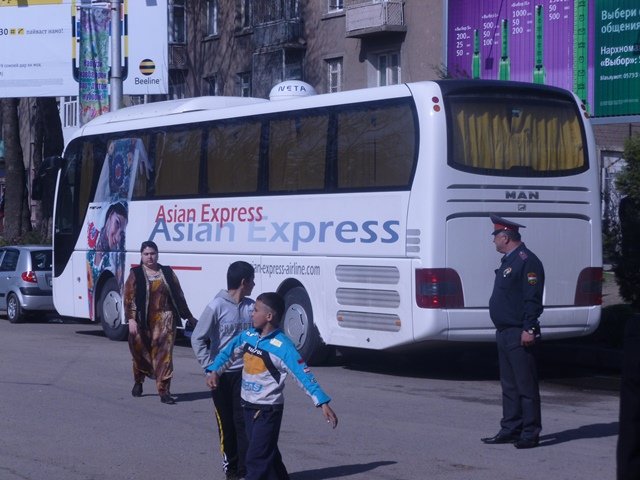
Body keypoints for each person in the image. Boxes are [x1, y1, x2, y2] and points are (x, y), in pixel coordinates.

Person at [205, 292, 338, 480]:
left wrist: (322, 402)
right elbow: (227, 354)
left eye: (256, 310)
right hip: (247, 406)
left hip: (268, 411)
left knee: (256, 458)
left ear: (269, 316)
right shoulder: (247, 336)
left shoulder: (283, 347)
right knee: (267, 454)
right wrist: (214, 371)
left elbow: (303, 375)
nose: (251, 313)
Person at [481, 214, 545, 449]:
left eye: (495, 236)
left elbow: (532, 298)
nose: (494, 241)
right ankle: (510, 428)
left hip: (519, 332)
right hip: (505, 331)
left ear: (505, 237)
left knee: (525, 385)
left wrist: (529, 328)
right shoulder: (509, 261)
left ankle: (530, 432)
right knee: (509, 385)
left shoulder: (527, 261)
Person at [191, 261, 256, 480]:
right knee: (226, 424)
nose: (254, 284)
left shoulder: (251, 307)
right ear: (244, 282)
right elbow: (197, 337)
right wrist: (210, 368)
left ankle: (246, 471)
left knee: (243, 422)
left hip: (244, 375)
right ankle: (231, 469)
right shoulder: (216, 306)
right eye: (252, 280)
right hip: (220, 377)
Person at [124, 240, 197, 404]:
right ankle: (138, 380)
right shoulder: (135, 273)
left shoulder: (167, 272)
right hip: (142, 320)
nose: (150, 257)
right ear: (141, 256)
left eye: (152, 253)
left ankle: (164, 391)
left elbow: (179, 295)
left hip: (165, 319)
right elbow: (129, 298)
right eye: (146, 254)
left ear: (157, 254)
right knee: (140, 353)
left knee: (164, 355)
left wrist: (188, 316)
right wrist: (131, 319)